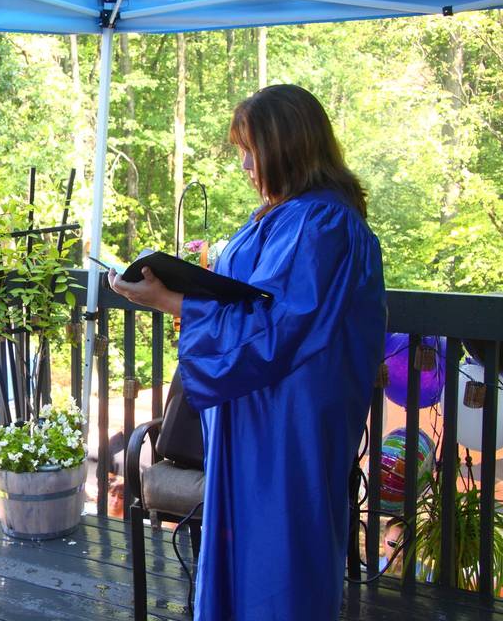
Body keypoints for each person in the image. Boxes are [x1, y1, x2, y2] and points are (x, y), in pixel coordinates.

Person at [108, 84, 386, 620]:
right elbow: (259, 298)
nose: (244, 165)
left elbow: (279, 325)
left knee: (280, 552)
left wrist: (171, 299)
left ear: (287, 147)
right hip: (257, 410)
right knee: (248, 543)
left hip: (289, 419)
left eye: (250, 150)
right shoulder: (286, 215)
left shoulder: (322, 223)